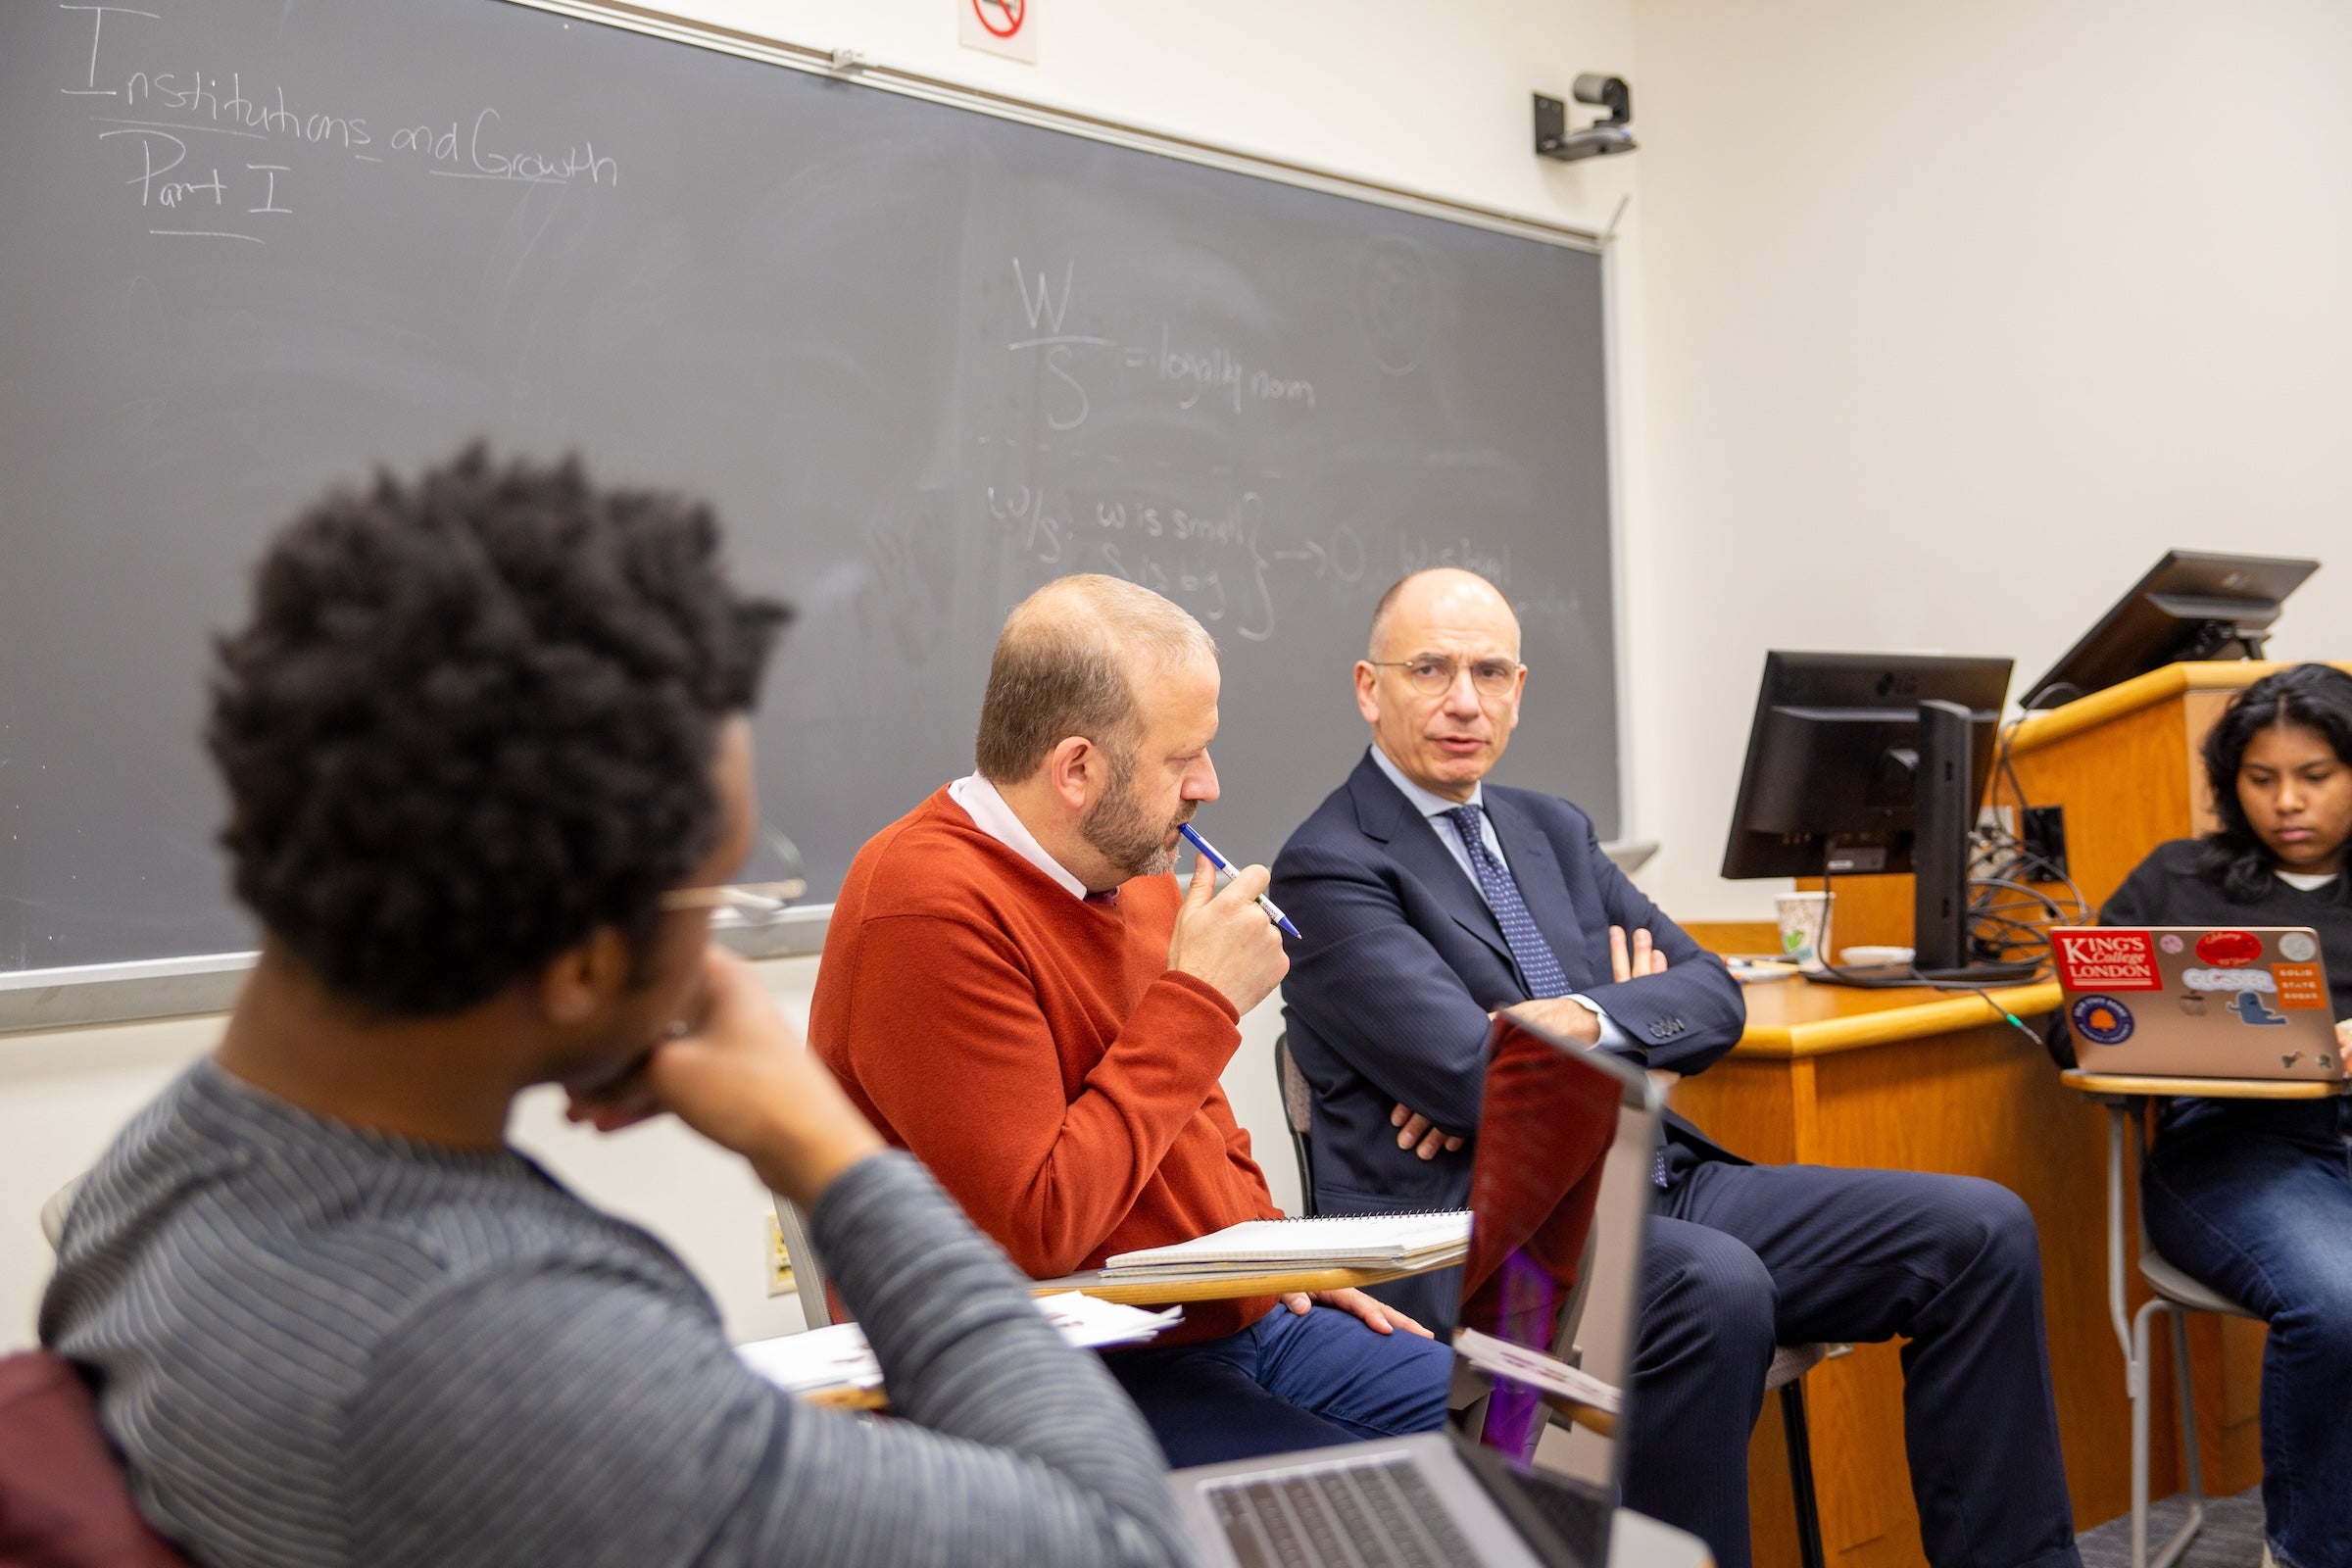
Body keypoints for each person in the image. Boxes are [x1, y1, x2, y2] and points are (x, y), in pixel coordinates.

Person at [39, 450, 1193, 1568]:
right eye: (721, 894)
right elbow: (1120, 1539)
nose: (723, 950)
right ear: (586, 965)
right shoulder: (516, 1360)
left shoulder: (157, 1174)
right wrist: (828, 1151)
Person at [1271, 566, 2082, 1568]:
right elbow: (1474, 1079)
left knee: (1981, 1229)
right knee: (1714, 1284)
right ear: (1369, 686)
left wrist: (1579, 1017)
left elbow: (1715, 997)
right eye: (1430, 669)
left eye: (1489, 671)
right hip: (1490, 1238)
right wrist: (1601, 1046)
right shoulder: (1331, 862)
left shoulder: (1552, 829)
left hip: (1659, 1180)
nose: (1463, 700)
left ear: (1520, 689)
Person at [810, 573, 1454, 1467]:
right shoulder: (926, 908)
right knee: (1383, 1509)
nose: (1210, 785)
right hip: (1067, 1364)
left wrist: (1289, 1253)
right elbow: (1042, 1227)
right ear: (1077, 768)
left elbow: (1197, 1125)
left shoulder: (1130, 866)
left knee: (1524, 1437)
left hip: (1236, 1320)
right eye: (1182, 759)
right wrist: (1202, 1003)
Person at [2059, 662, 2352, 1568]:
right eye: (2262, 780)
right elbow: (2070, 1034)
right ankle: (2304, 1552)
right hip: (2238, 1153)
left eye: (2315, 776)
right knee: (2340, 1305)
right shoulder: (2179, 881)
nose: (2287, 803)